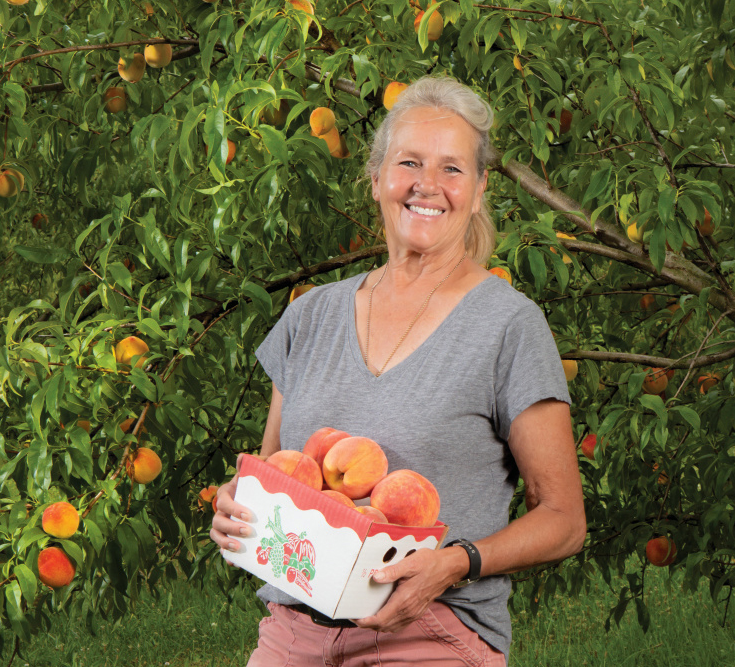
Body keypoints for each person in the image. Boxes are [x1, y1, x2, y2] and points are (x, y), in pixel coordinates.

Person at [210, 75, 586, 666]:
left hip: (427, 632)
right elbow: (278, 476)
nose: (427, 185)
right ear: (377, 177)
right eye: (409, 162)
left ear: (481, 188)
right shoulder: (310, 315)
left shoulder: (508, 326)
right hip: (293, 633)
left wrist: (455, 562)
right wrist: (239, 508)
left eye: (452, 169)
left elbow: (564, 519)